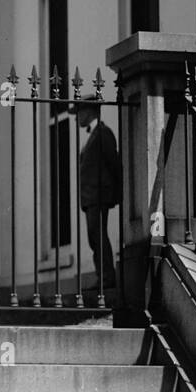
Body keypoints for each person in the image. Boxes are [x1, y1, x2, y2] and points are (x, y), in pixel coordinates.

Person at [75, 99, 121, 291]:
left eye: (79, 112)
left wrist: (116, 193)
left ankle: (107, 278)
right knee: (94, 237)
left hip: (99, 195)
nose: (77, 117)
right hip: (91, 197)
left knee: (98, 236)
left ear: (89, 112)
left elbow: (114, 163)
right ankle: (102, 276)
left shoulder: (103, 133)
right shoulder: (94, 134)